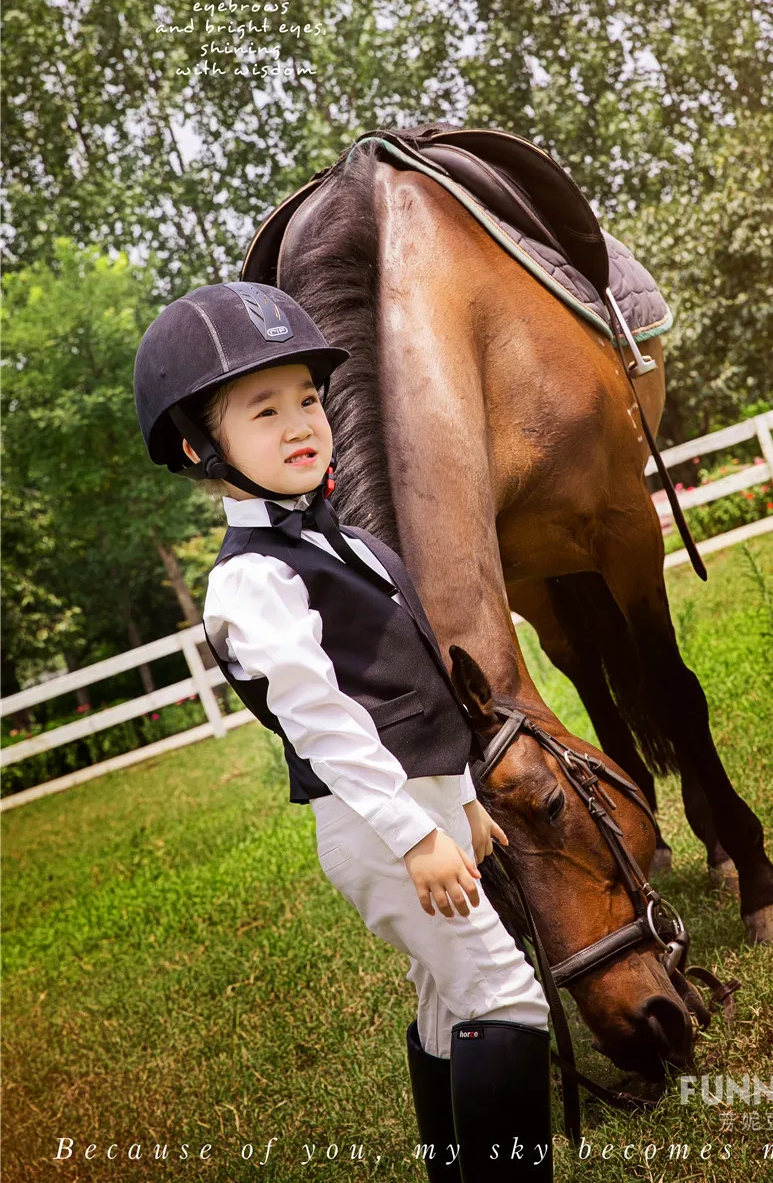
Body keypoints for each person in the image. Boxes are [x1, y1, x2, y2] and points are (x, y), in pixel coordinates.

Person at [133, 280, 553, 1181]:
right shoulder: (251, 581)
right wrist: (415, 835)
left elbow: (415, 688)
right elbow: (326, 724)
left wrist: (462, 802)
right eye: (264, 409)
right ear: (202, 447)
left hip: (423, 808)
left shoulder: (343, 541)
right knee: (507, 998)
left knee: (450, 1002)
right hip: (377, 823)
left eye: (309, 399)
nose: (301, 423)